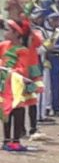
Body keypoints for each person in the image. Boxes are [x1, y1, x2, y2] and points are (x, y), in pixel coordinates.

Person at [1, 19, 34, 151]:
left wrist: (6, 70)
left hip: (16, 85)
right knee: (5, 111)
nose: (5, 32)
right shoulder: (3, 45)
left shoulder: (22, 50)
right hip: (4, 84)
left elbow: (22, 69)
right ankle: (6, 140)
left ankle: (16, 140)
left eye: (9, 30)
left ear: (16, 34)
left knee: (18, 110)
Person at [40, 11, 59, 118]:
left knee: (56, 86)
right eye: (53, 19)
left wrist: (57, 47)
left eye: (57, 19)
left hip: (55, 59)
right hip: (45, 59)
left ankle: (56, 107)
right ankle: (45, 107)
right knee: (45, 86)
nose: (55, 22)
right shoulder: (41, 30)